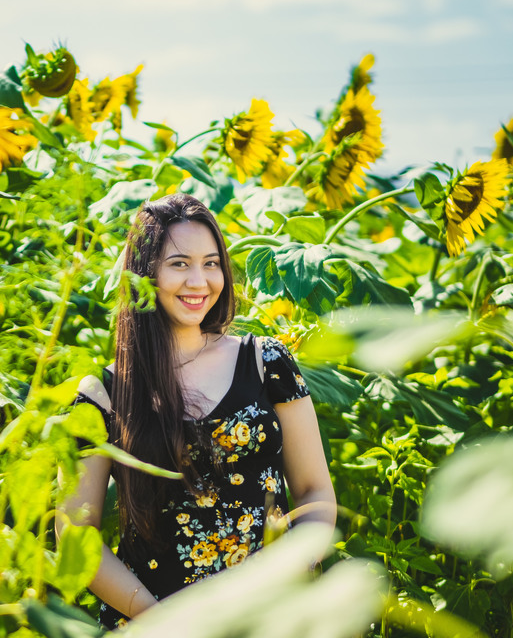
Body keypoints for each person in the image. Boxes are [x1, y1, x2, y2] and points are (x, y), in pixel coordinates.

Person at [57, 193, 335, 628]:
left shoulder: (267, 363)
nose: (200, 281)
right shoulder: (104, 395)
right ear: (144, 274)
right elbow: (75, 531)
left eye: (211, 263)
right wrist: (165, 621)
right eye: (179, 264)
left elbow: (315, 491)